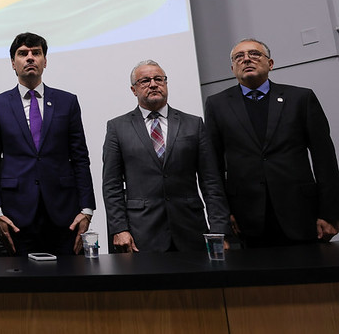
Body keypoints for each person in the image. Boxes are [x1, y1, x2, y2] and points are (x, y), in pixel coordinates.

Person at [204, 38, 339, 247]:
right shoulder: (217, 104)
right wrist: (223, 215)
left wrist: (330, 214)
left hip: (301, 214)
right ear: (232, 68)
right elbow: (213, 167)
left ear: (271, 63)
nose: (246, 59)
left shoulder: (300, 98)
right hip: (244, 220)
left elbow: (325, 159)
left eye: (254, 54)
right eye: (239, 57)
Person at [0, 32, 95, 256]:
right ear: (13, 63)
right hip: (16, 213)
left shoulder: (67, 102)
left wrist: (87, 209)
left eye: (36, 53)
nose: (30, 58)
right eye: (23, 54)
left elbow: (80, 158)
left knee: (68, 282)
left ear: (45, 61)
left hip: (64, 212)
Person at [102, 60, 230, 253]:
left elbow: (211, 181)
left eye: (158, 79)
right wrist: (119, 228)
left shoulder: (193, 124)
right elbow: (112, 186)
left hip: (190, 229)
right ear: (133, 89)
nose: (153, 84)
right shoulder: (117, 127)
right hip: (141, 232)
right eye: (145, 81)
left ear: (166, 83)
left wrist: (219, 229)